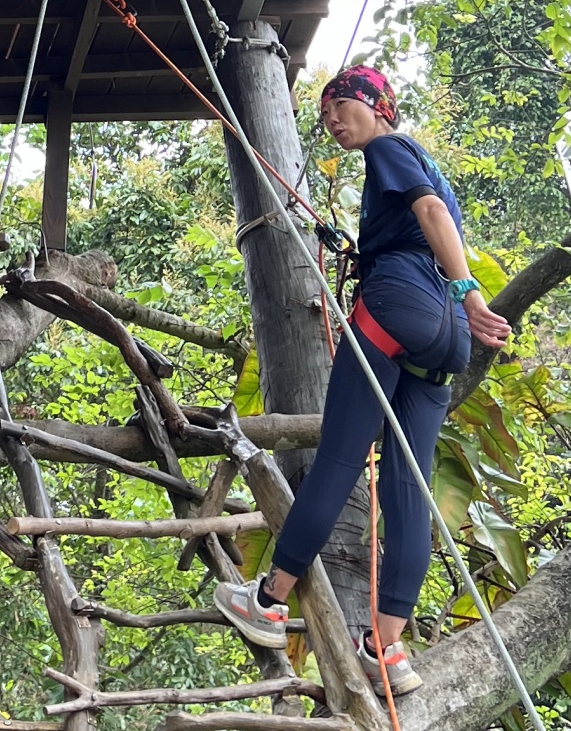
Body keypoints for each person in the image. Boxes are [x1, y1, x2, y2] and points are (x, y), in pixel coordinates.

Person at [216, 64, 511, 694]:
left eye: (339, 104)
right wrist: (455, 299)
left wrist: (470, 292)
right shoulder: (419, 162)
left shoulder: (389, 147)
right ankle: (386, 648)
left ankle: (268, 601)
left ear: (377, 107)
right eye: (323, 112)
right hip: (445, 341)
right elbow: (426, 215)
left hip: (403, 303)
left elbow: (429, 211)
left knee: (340, 459)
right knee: (411, 485)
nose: (330, 119)